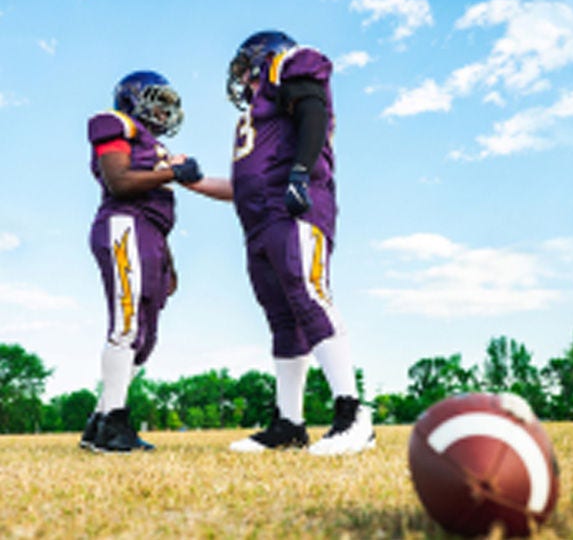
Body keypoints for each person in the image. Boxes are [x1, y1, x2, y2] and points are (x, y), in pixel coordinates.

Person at [185, 30, 375, 455]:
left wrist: (301, 172)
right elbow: (242, 184)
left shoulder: (290, 65)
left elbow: (313, 109)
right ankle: (289, 424)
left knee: (309, 293)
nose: (244, 82)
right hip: (259, 220)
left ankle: (353, 413)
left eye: (245, 70)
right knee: (283, 318)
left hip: (295, 207)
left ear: (263, 58)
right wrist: (193, 182)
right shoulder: (257, 117)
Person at [79, 71, 202, 453]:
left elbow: (156, 206)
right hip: (123, 224)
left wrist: (168, 259)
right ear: (132, 99)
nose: (164, 110)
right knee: (128, 325)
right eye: (157, 100)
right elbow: (118, 181)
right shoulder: (115, 123)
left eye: (169, 104)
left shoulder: (154, 144)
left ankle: (100, 422)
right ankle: (114, 424)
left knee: (145, 337)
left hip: (149, 234)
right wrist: (173, 172)